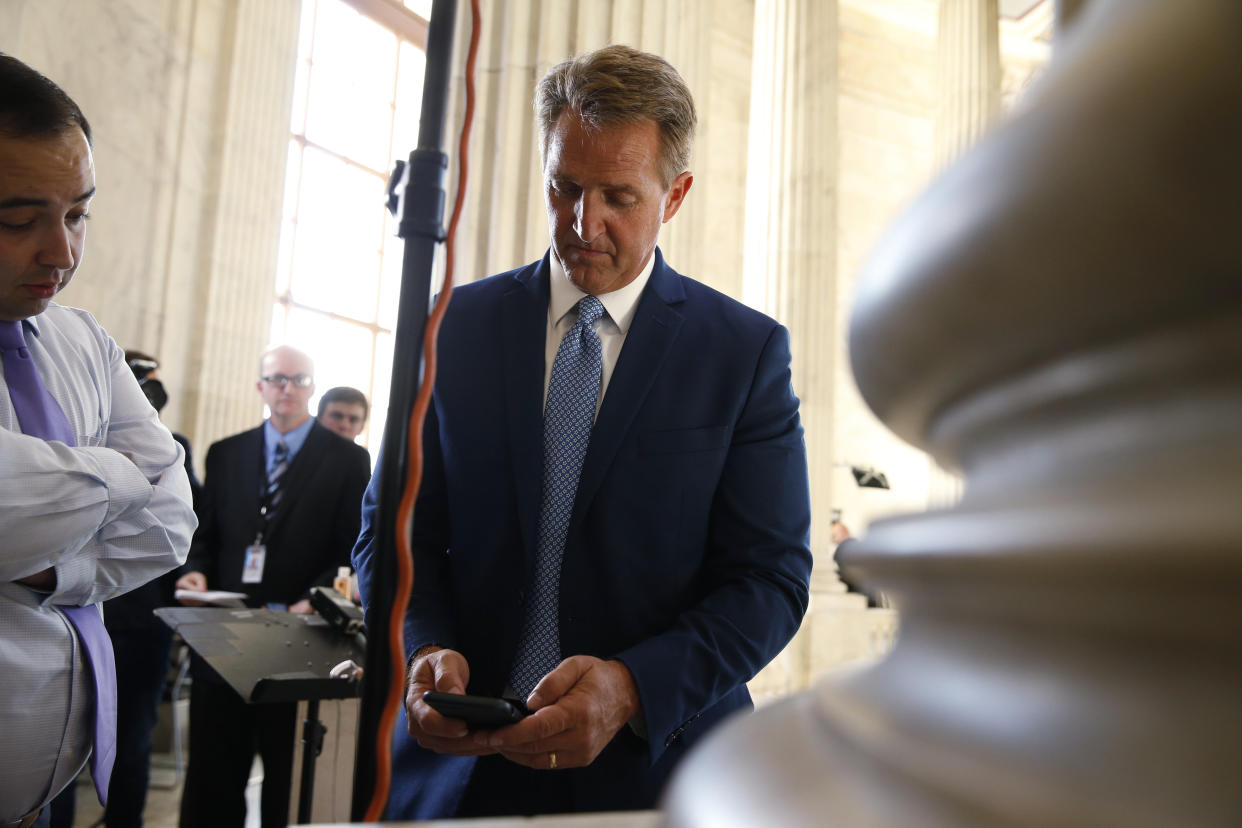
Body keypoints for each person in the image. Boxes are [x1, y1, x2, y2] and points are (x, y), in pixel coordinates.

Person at [353, 44, 813, 818]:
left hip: (659, 768)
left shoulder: (743, 354)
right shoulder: (452, 328)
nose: (583, 222)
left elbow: (769, 580)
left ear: (675, 196)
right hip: (459, 768)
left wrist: (634, 687)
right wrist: (427, 649)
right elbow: (392, 534)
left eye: (617, 197)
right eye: (564, 187)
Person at [0, 53, 197, 826]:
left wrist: (51, 573)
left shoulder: (82, 340)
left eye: (77, 214)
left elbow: (172, 519)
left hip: (49, 793)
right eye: (19, 221)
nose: (61, 252)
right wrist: (118, 474)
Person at [174, 344, 371, 828]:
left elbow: (354, 544)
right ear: (260, 386)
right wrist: (194, 569)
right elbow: (204, 533)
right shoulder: (227, 452)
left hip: (297, 634)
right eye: (277, 379)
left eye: (298, 380)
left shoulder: (348, 460)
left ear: (311, 387)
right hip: (224, 631)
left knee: (290, 772)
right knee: (213, 771)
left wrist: (321, 594)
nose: (287, 388)